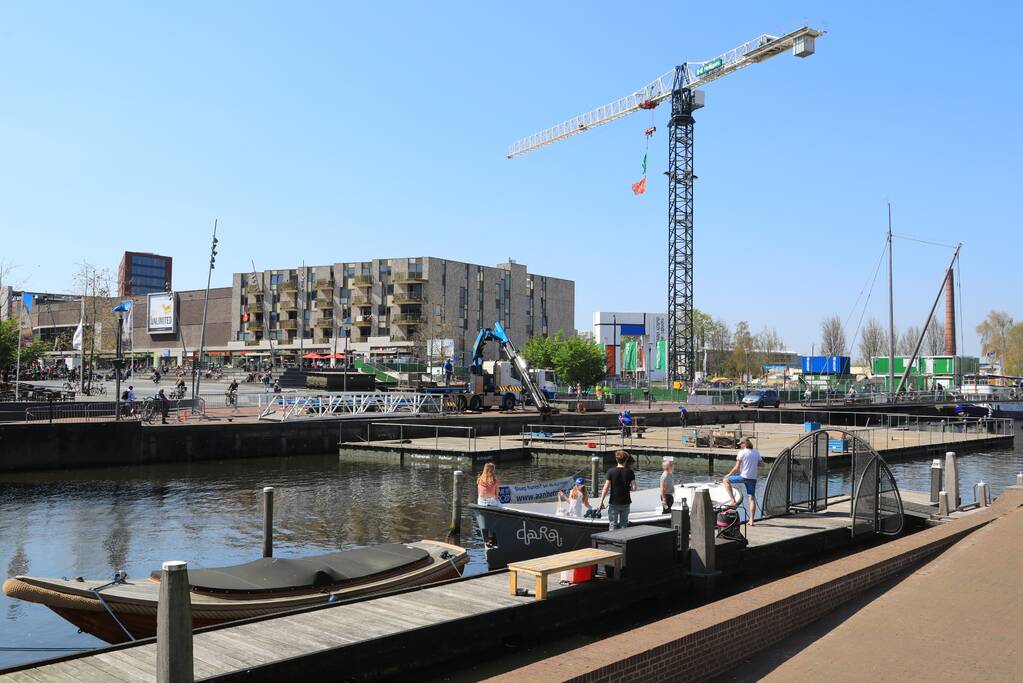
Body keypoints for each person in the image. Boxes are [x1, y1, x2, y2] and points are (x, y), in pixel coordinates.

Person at [722, 438, 763, 525]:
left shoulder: (742, 452)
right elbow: (761, 464)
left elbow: (736, 468)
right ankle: (751, 520)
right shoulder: (756, 452)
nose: (740, 445)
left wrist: (729, 474)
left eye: (741, 444)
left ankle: (733, 501)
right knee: (751, 498)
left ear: (745, 444)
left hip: (743, 477)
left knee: (725, 480)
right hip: (753, 478)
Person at [598, 450, 637, 530]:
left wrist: (601, 502)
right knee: (624, 526)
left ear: (616, 459)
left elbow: (605, 488)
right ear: (626, 460)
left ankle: (611, 542)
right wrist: (626, 487)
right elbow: (634, 488)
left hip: (613, 503)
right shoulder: (630, 472)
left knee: (612, 525)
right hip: (626, 502)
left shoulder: (610, 472)